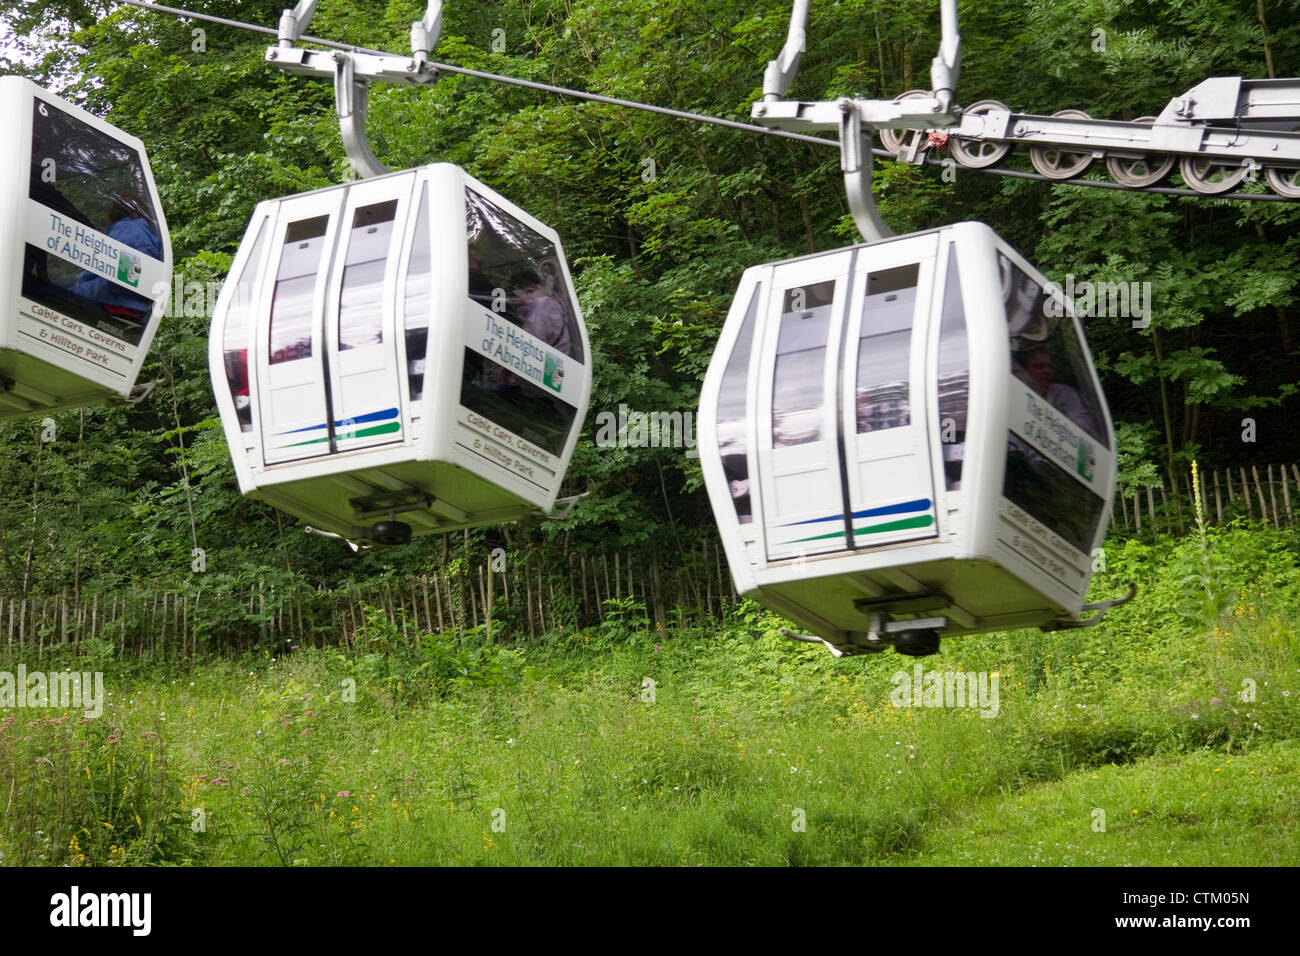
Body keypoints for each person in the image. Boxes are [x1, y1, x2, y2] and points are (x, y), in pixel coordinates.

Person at [1013, 347, 1100, 436]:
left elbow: (1084, 424)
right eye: (1039, 366)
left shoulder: (1063, 393)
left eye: (1050, 367)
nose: (1047, 371)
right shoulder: (1014, 395)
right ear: (1024, 371)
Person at [512, 267, 572, 357]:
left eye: (529, 291)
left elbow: (530, 349)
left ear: (541, 289)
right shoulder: (553, 306)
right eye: (518, 294)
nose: (524, 298)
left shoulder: (542, 305)